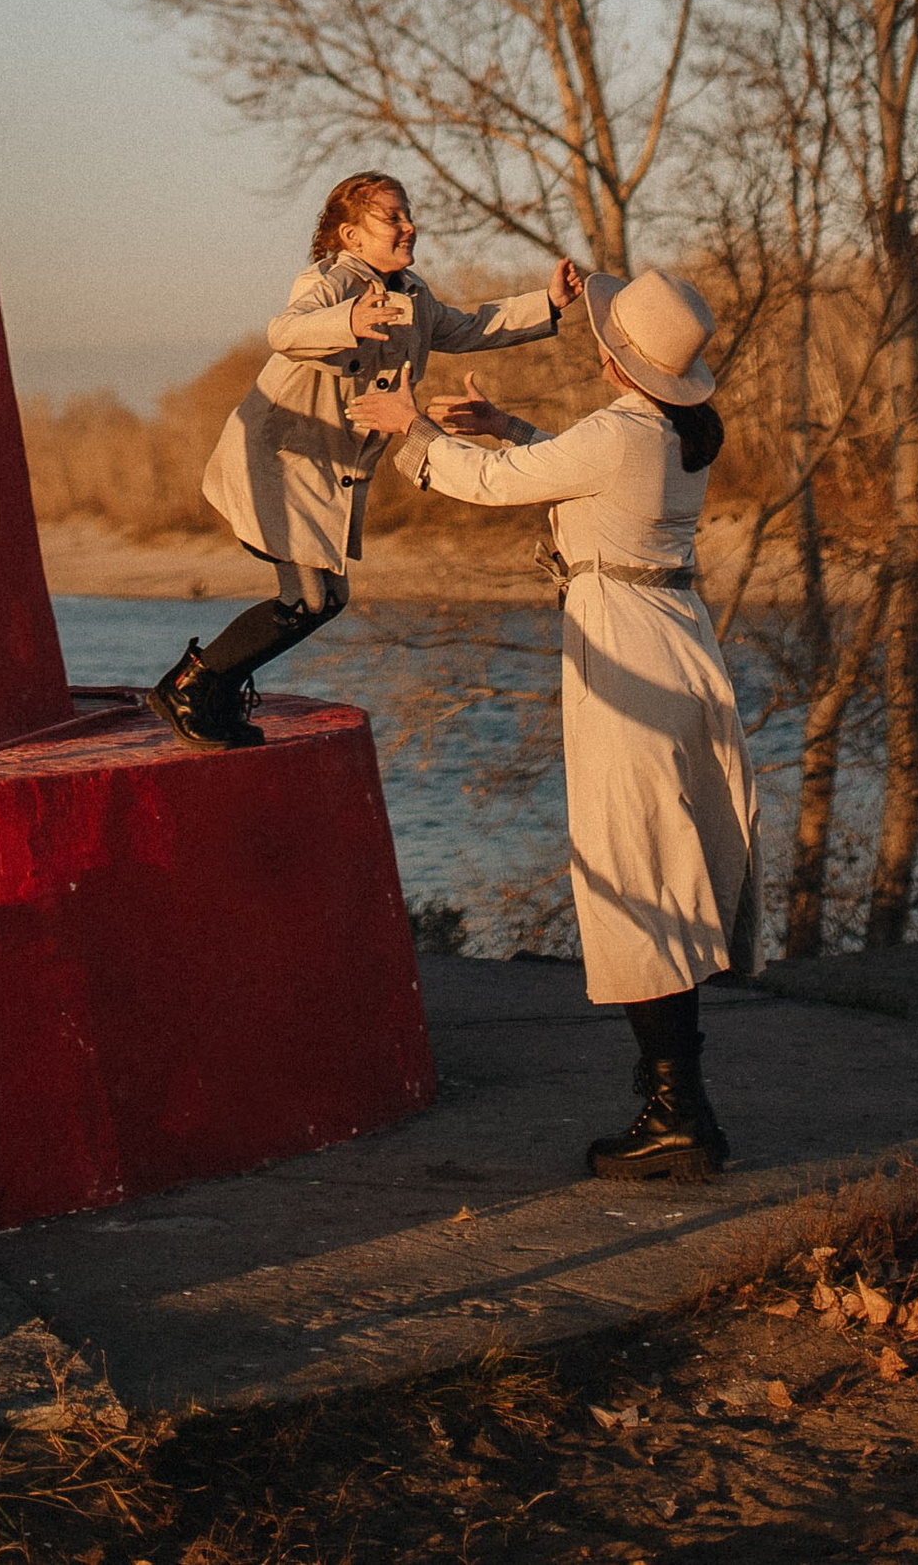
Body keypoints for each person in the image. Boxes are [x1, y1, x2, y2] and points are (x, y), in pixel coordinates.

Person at [351, 264, 760, 1180]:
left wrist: (408, 429)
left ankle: (677, 1112)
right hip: (674, 640)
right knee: (663, 854)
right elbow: (585, 478)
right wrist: (507, 428)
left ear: (617, 358)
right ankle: (678, 1104)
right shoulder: (676, 431)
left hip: (628, 650)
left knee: (634, 860)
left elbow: (501, 486)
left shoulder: (622, 430)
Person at [148, 171, 581, 752]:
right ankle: (191, 688)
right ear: (351, 236)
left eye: (408, 214)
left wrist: (547, 303)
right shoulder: (328, 282)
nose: (410, 226)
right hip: (278, 462)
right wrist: (346, 321)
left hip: (328, 474)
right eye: (393, 217)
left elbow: (469, 326)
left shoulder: (415, 295)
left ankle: (208, 686)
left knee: (329, 599)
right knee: (307, 598)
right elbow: (284, 330)